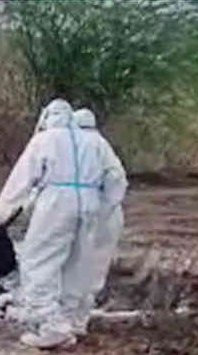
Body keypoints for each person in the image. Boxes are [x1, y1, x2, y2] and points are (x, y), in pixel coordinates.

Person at [0, 99, 126, 349]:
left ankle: (50, 326)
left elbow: (21, 178)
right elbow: (116, 178)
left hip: (56, 201)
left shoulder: (45, 140)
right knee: (79, 262)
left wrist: (2, 213)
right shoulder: (96, 142)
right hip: (90, 201)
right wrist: (106, 206)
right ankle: (73, 320)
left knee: (38, 260)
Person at [72, 108, 127, 335]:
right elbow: (117, 180)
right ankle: (79, 319)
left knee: (76, 264)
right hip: (107, 216)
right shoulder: (103, 146)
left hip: (90, 214)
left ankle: (73, 319)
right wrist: (106, 207)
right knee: (94, 267)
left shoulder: (77, 145)